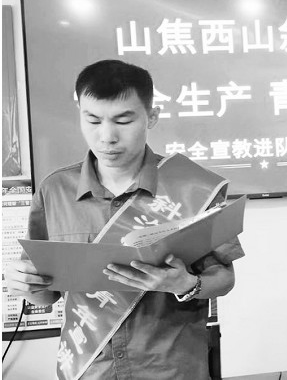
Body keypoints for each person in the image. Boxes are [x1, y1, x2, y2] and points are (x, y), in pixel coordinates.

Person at [4, 59, 244, 379]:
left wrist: (185, 284)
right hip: (91, 369)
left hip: (171, 368)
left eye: (123, 120)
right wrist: (23, 285)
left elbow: (225, 278)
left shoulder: (192, 187)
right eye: (92, 120)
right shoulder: (56, 190)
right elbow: (45, 294)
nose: (107, 136)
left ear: (152, 116)